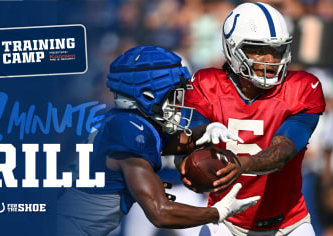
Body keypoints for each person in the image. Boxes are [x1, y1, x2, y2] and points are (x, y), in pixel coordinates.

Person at [56, 46, 260, 236]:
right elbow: (160, 213)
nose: (179, 104)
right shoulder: (130, 131)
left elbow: (174, 142)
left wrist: (206, 130)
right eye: (173, 95)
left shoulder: (130, 121)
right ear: (147, 95)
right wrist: (217, 212)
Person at [179, 2, 326, 235]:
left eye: (277, 50)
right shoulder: (207, 84)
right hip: (225, 221)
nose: (270, 58)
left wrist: (242, 164)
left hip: (289, 225)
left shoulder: (303, 87)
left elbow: (283, 151)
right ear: (232, 48)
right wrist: (190, 154)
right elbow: (188, 142)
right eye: (258, 49)